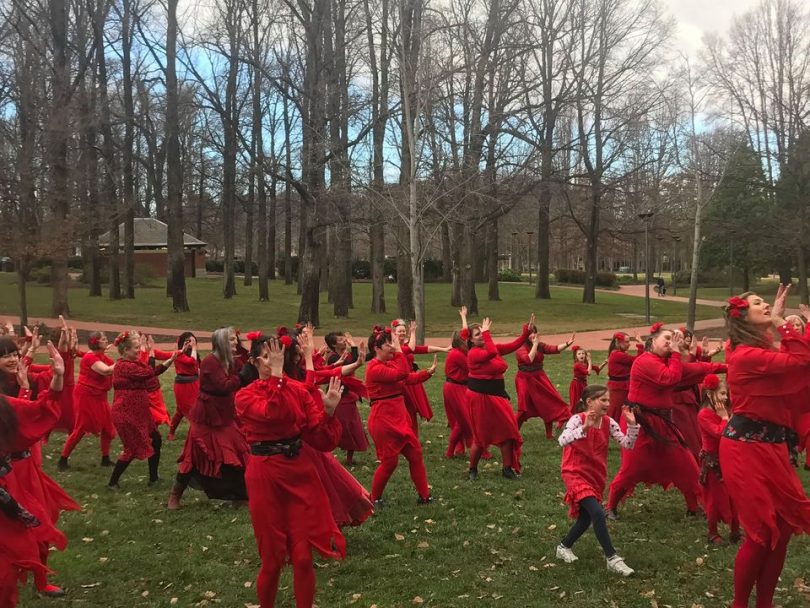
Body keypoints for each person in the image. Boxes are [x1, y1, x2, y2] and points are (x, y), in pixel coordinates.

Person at [235, 337, 346, 608]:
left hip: (298, 472)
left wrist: (329, 413)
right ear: (253, 362)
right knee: (272, 560)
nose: (274, 361)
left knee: (303, 557)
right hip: (266, 475)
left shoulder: (298, 390)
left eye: (277, 356)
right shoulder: (245, 395)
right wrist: (276, 377)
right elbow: (273, 413)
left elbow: (320, 440)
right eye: (266, 357)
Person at [719, 286, 810, 608]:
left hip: (771, 447)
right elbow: (800, 360)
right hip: (744, 449)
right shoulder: (746, 355)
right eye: (758, 302)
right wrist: (782, 320)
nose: (766, 304)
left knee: (783, 528)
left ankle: (765, 603)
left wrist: (774, 320)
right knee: (760, 535)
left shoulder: (754, 349)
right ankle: (740, 604)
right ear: (742, 316)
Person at [605, 323, 718, 520]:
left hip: (664, 422)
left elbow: (697, 368)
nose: (671, 342)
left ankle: (693, 507)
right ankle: (610, 506)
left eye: (673, 339)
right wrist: (675, 352)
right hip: (639, 422)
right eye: (667, 338)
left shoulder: (666, 362)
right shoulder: (644, 361)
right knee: (632, 468)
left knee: (687, 466)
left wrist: (728, 367)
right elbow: (669, 379)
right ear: (651, 342)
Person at [0, 342, 71, 605]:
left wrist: (58, 375)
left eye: (13, 353)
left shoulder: (13, 389)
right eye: (4, 354)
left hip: (22, 466)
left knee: (41, 522)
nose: (11, 358)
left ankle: (41, 580)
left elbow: (34, 413)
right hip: (10, 475)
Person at [556, 385, 638, 576]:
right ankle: (612, 558)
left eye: (608, 400)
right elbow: (562, 440)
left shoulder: (609, 423)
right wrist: (584, 428)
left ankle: (563, 546)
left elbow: (627, 444)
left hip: (596, 475)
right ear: (589, 402)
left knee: (586, 518)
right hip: (574, 472)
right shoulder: (577, 419)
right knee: (598, 513)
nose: (607, 404)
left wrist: (632, 425)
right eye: (603, 400)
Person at [169, 327, 248, 509]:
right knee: (194, 455)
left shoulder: (232, 361)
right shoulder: (211, 362)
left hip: (225, 415)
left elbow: (245, 370)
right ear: (221, 343)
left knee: (236, 452)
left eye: (236, 339)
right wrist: (243, 377)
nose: (236, 342)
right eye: (231, 340)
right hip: (206, 417)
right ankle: (175, 494)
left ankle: (238, 494)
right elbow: (224, 385)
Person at [365, 326, 436, 507]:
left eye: (392, 343)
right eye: (388, 344)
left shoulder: (387, 364)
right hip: (384, 420)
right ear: (377, 349)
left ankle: (424, 496)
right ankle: (375, 498)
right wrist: (398, 351)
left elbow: (406, 378)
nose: (392, 347)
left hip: (399, 417)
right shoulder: (374, 368)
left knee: (415, 455)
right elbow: (402, 373)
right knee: (390, 462)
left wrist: (426, 373)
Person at [107, 331, 177, 489]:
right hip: (126, 414)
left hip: (140, 413)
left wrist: (170, 360)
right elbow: (148, 372)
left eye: (139, 347)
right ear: (125, 351)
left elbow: (151, 374)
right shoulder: (124, 366)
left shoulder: (135, 364)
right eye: (136, 348)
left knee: (156, 440)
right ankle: (112, 482)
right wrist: (151, 353)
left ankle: (153, 478)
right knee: (131, 448)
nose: (139, 350)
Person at [467, 317, 529, 480]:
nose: (481, 336)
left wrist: (525, 333)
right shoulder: (474, 353)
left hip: (497, 396)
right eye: (477, 334)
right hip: (480, 397)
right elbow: (492, 352)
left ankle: (507, 469)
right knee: (481, 436)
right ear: (471, 340)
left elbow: (512, 346)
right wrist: (487, 333)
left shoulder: (489, 347)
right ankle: (472, 469)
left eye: (482, 332)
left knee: (509, 431)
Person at [58, 331, 116, 470]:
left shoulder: (100, 356)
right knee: (81, 428)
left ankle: (105, 459)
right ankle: (62, 460)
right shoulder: (91, 358)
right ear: (96, 342)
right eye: (103, 339)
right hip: (86, 396)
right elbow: (106, 371)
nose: (106, 340)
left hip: (100, 396)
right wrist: (124, 360)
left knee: (108, 428)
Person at [697, 374, 740, 545]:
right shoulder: (704, 414)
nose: (726, 397)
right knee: (715, 498)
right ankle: (712, 532)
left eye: (726, 394)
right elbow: (719, 433)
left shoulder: (727, 411)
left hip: (728, 458)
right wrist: (724, 419)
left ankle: (736, 530)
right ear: (710, 394)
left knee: (733, 496)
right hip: (713, 462)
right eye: (722, 394)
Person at [513, 319, 574, 439]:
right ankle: (513, 432)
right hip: (524, 379)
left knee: (548, 404)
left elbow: (553, 349)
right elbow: (528, 359)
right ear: (525, 335)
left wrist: (567, 343)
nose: (532, 335)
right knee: (523, 408)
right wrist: (535, 344)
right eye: (530, 333)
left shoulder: (540, 345)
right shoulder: (520, 348)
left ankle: (549, 434)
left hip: (539, 377)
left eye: (534, 332)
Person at [391, 319, 449, 434]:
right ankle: (405, 435)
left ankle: (413, 436)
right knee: (405, 410)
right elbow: (411, 349)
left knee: (412, 410)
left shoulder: (406, 346)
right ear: (394, 333)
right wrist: (413, 333)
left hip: (412, 380)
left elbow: (424, 349)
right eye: (399, 331)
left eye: (404, 331)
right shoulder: (394, 348)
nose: (402, 333)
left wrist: (444, 349)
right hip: (403, 382)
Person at [323, 331, 369, 466]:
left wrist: (353, 344)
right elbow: (350, 365)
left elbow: (355, 361)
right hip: (338, 395)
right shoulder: (333, 358)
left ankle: (349, 458)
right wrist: (352, 346)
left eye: (343, 338)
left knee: (352, 426)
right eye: (340, 339)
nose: (343, 340)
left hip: (347, 394)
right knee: (339, 426)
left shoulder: (345, 355)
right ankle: (328, 454)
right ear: (333, 344)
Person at [443, 308, 474, 458]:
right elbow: (473, 367)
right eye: (464, 340)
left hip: (459, 387)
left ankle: (457, 449)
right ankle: (461, 448)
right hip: (455, 388)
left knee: (462, 420)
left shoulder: (461, 351)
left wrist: (463, 317)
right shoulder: (457, 354)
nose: (467, 340)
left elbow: (465, 332)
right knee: (466, 419)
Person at [168, 332, 201, 440]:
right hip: (182, 386)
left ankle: (172, 430)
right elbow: (191, 362)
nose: (192, 344)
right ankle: (195, 434)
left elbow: (197, 366)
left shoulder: (195, 353)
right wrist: (194, 348)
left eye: (194, 341)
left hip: (194, 384)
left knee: (183, 410)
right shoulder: (179, 354)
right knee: (186, 409)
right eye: (190, 341)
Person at [606, 332, 643, 422]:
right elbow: (637, 361)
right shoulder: (617, 354)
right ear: (618, 342)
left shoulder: (619, 353)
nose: (629, 344)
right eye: (626, 342)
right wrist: (640, 345)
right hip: (619, 387)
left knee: (623, 407)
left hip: (622, 385)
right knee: (618, 408)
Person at [568, 346, 604, 413]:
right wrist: (589, 361)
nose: (581, 355)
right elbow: (588, 372)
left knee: (585, 399)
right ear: (576, 356)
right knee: (576, 402)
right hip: (577, 384)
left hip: (583, 384)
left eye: (583, 353)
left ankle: (583, 413)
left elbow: (597, 368)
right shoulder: (577, 365)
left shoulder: (585, 364)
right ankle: (568, 417)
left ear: (585, 355)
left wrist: (605, 363)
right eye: (579, 354)